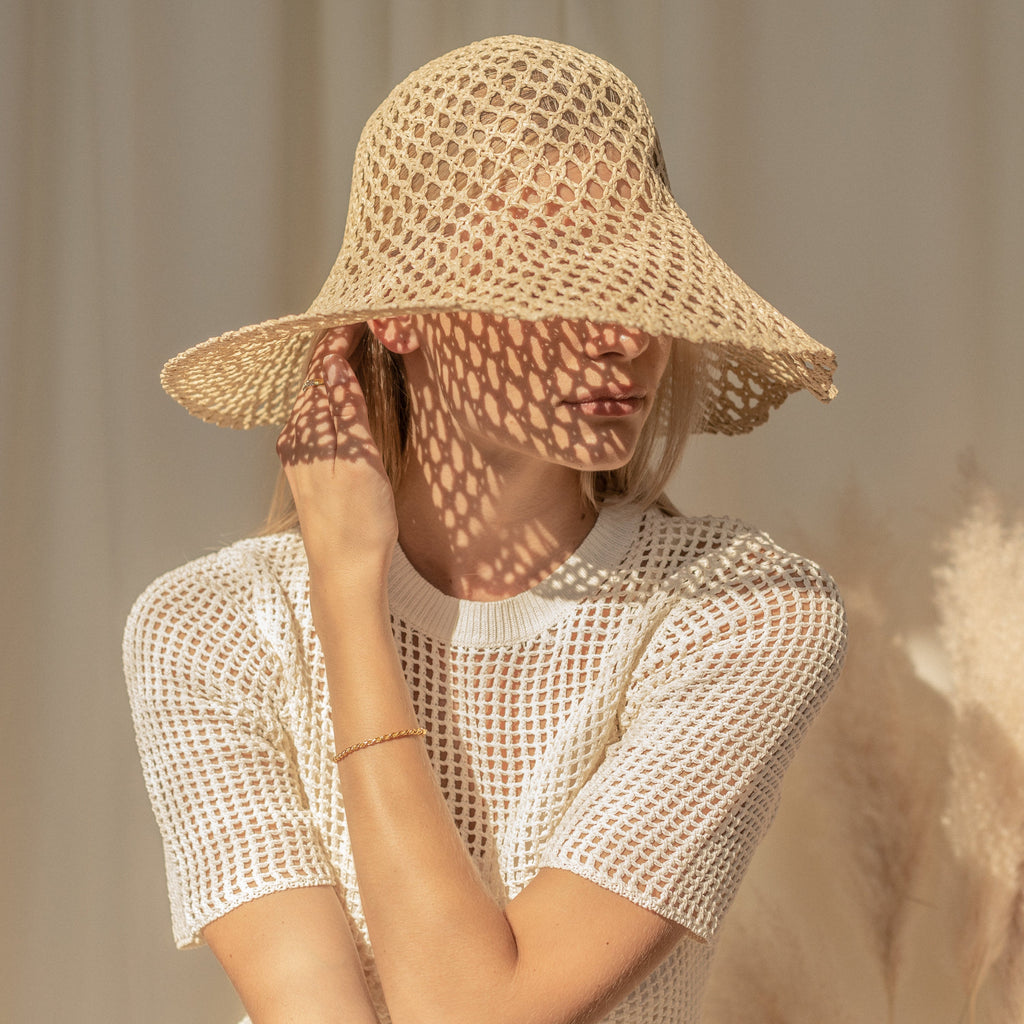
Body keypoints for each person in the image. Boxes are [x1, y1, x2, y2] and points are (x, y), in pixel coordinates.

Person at [125, 35, 846, 1024]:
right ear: (401, 313)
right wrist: (341, 585)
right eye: (558, 276)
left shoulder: (741, 613)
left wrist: (346, 597)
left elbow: (473, 1012)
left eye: (645, 281)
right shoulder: (208, 626)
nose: (629, 331)